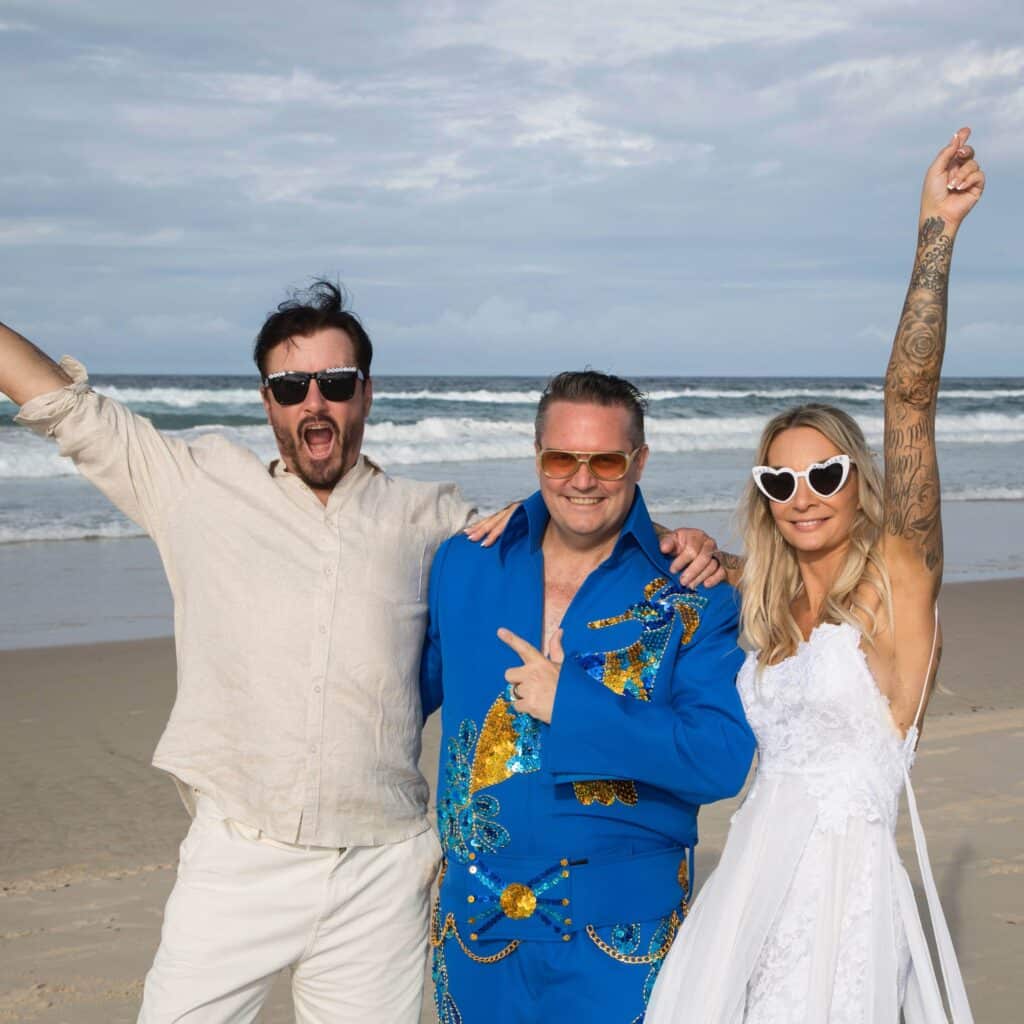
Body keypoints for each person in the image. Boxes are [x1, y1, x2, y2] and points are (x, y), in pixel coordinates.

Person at [0, 283, 722, 1023]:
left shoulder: (436, 521)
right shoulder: (195, 488)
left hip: (383, 869)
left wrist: (688, 546)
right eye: (292, 385)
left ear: (365, 394)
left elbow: (577, 526)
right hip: (239, 857)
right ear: (267, 400)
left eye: (336, 383)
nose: (315, 402)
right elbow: (66, 410)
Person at [645, 131, 984, 1022]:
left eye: (826, 475)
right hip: (750, 894)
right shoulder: (764, 593)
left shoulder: (897, 578)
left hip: (847, 903)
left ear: (858, 480)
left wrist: (934, 233)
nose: (804, 497)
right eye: (780, 481)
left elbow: (909, 398)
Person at [419, 370, 757, 1023]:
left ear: (639, 461)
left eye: (605, 460)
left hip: (620, 942)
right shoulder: (464, 563)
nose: (581, 480)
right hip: (476, 938)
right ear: (536, 457)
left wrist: (572, 706)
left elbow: (720, 757)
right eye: (560, 459)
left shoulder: (692, 593)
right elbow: (398, 697)